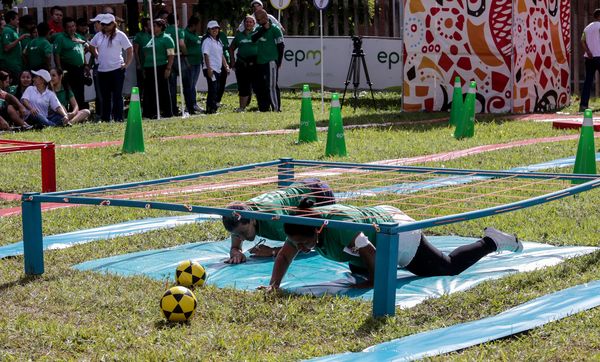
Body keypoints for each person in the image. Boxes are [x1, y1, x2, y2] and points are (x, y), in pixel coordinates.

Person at [262, 199, 523, 290]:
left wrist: (374, 283)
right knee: (360, 268)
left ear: (318, 229)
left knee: (448, 266)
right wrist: (274, 285)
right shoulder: (299, 226)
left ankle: (492, 241)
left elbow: (372, 253)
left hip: (397, 232)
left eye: (304, 243)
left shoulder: (341, 228)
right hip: (378, 221)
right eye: (297, 243)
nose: (301, 247)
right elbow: (285, 256)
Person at [222, 179, 336, 264]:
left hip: (319, 193)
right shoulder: (238, 217)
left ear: (253, 220)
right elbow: (236, 241)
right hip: (300, 188)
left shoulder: (275, 221)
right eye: (236, 234)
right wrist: (235, 250)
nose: (241, 238)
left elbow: (305, 245)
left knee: (325, 239)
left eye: (243, 233)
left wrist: (272, 251)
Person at [89, 14, 133, 122]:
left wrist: (126, 64)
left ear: (113, 24)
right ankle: (106, 119)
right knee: (105, 96)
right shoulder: (99, 35)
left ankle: (118, 118)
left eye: (107, 24)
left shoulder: (120, 35)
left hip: (117, 69)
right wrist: (97, 56)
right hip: (103, 71)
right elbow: (91, 46)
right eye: (103, 24)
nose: (105, 26)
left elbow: (129, 49)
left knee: (117, 95)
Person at [141, 18, 174, 119]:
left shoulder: (167, 39)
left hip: (161, 67)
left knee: (163, 90)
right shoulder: (152, 38)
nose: (152, 27)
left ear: (160, 27)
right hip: (149, 68)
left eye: (154, 26)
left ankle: (167, 112)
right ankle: (151, 112)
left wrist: (168, 68)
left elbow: (171, 55)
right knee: (150, 91)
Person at [252, 9, 284, 112]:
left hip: (271, 61)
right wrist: (264, 30)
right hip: (260, 62)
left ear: (265, 18)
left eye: (258, 19)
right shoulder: (258, 29)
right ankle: (264, 108)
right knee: (260, 86)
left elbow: (281, 45)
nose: (257, 21)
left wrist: (279, 61)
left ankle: (276, 108)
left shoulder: (275, 29)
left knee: (272, 85)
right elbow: (253, 39)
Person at [53, 16, 89, 110]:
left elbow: (82, 51)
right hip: (68, 68)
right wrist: (59, 69)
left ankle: (81, 111)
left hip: (80, 68)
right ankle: (72, 111)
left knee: (81, 90)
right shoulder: (60, 38)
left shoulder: (79, 37)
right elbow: (56, 54)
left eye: (73, 26)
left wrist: (85, 65)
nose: (72, 28)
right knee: (71, 90)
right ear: (65, 28)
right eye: (69, 27)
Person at [230, 15, 259, 112]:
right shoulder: (239, 35)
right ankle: (242, 107)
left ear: (254, 24)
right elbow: (231, 48)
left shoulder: (258, 34)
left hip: (255, 64)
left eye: (251, 22)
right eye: (247, 22)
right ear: (244, 23)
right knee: (243, 86)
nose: (249, 24)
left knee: (258, 86)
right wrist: (233, 62)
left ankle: (262, 106)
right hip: (241, 64)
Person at [202, 20, 229, 114]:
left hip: (217, 69)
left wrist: (226, 66)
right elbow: (206, 55)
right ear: (208, 30)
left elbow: (221, 55)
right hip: (211, 69)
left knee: (216, 88)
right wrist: (209, 69)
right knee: (213, 89)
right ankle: (211, 109)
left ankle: (212, 108)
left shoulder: (218, 41)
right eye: (212, 28)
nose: (215, 30)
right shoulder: (207, 41)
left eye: (216, 28)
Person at [165, 13, 186, 116]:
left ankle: (172, 108)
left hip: (168, 59)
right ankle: (188, 107)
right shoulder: (179, 31)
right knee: (186, 83)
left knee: (171, 86)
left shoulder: (164, 31)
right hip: (178, 57)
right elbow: (181, 44)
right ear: (177, 21)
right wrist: (186, 53)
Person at [182, 16, 203, 115]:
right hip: (189, 63)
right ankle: (189, 105)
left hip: (197, 62)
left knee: (193, 85)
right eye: (198, 25)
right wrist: (187, 61)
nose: (199, 27)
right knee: (189, 85)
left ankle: (194, 104)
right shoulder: (185, 33)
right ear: (193, 25)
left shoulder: (195, 34)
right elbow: (183, 47)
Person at [580, 9, 600, 112]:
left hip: (589, 58)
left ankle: (583, 105)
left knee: (588, 81)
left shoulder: (587, 28)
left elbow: (582, 41)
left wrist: (588, 51)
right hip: (599, 56)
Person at [1, 11, 28, 81]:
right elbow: (6, 48)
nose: (18, 22)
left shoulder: (13, 31)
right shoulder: (7, 31)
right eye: (17, 19)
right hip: (10, 66)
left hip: (16, 65)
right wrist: (20, 39)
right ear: (11, 20)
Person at [133, 18, 152, 101]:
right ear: (145, 27)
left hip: (152, 65)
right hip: (142, 65)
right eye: (150, 25)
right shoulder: (138, 36)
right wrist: (138, 64)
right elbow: (135, 51)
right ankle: (140, 103)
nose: (152, 26)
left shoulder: (153, 35)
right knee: (141, 85)